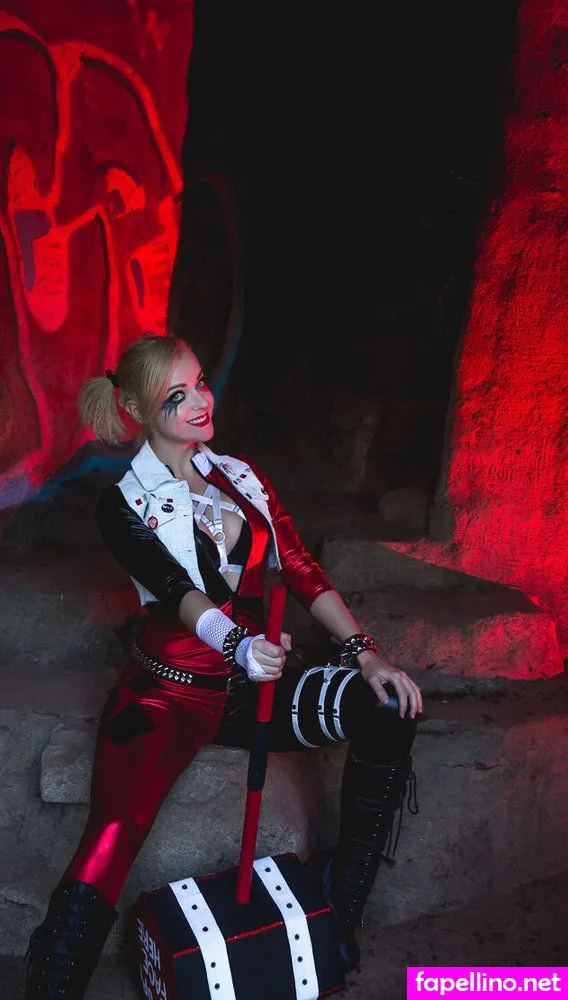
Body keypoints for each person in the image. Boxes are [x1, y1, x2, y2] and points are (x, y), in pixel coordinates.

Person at [24, 334, 422, 999]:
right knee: (113, 831)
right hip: (167, 694)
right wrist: (238, 643)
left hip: (252, 690)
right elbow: (176, 590)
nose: (199, 402)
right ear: (140, 412)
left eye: (201, 382)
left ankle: (337, 911)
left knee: (386, 706)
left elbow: (299, 565)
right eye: (176, 397)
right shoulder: (122, 502)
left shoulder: (241, 476)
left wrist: (365, 653)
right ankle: (55, 981)